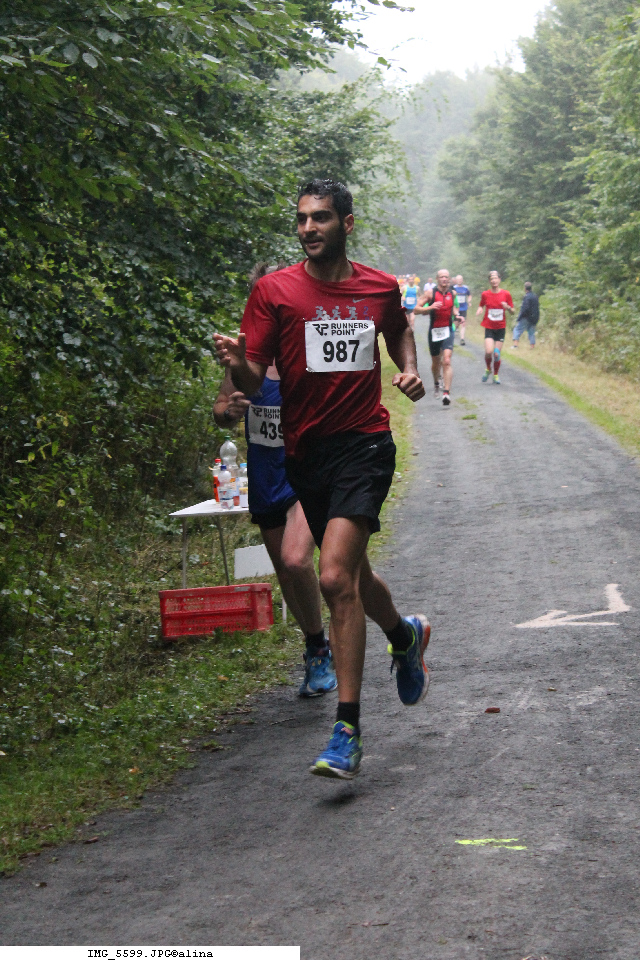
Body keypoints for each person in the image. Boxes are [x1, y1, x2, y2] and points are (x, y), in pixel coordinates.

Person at [214, 177, 429, 781]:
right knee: (354, 575)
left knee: (332, 575)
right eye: (302, 218)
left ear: (347, 224)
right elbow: (254, 378)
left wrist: (409, 369)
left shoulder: (378, 287)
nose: (309, 227)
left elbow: (398, 329)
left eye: (321, 217)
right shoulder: (274, 290)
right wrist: (238, 367)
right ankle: (404, 635)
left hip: (364, 445)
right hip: (304, 453)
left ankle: (347, 731)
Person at [213, 265, 337, 699]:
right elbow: (221, 408)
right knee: (286, 572)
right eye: (257, 301)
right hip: (265, 477)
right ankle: (317, 646)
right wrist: (230, 412)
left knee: (297, 561)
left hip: (305, 472)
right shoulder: (242, 359)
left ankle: (340, 636)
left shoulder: (306, 347)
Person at [415, 268, 460, 406]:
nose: (444, 279)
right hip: (434, 331)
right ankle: (436, 382)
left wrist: (457, 315)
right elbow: (416, 309)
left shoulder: (453, 293)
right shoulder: (430, 293)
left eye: (446, 277)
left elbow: (453, 308)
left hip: (448, 330)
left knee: (446, 360)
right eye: (441, 277)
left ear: (449, 279)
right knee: (436, 362)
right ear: (437, 279)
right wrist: (430, 307)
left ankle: (446, 393)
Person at [476, 270, 514, 384]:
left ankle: (496, 375)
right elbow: (481, 304)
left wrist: (507, 307)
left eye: (495, 278)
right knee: (489, 352)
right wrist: (480, 309)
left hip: (500, 327)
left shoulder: (506, 294)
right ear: (489, 281)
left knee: (496, 353)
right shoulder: (485, 294)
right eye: (491, 279)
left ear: (499, 280)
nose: (494, 281)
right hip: (489, 327)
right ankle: (488, 369)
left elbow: (513, 311)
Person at [512, 281, 540, 348]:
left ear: (525, 288)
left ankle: (515, 345)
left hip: (526, 317)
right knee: (531, 332)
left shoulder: (527, 297)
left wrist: (520, 317)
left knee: (517, 329)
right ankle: (532, 346)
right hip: (534, 318)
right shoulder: (535, 296)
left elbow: (525, 308)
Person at [452, 274, 472, 345]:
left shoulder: (465, 288)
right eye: (458, 279)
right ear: (456, 280)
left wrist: (469, 301)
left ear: (462, 280)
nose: (459, 281)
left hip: (463, 308)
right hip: (456, 309)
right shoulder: (454, 288)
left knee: (463, 323)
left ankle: (462, 339)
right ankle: (450, 336)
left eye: (460, 279)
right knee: (456, 324)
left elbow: (469, 295)